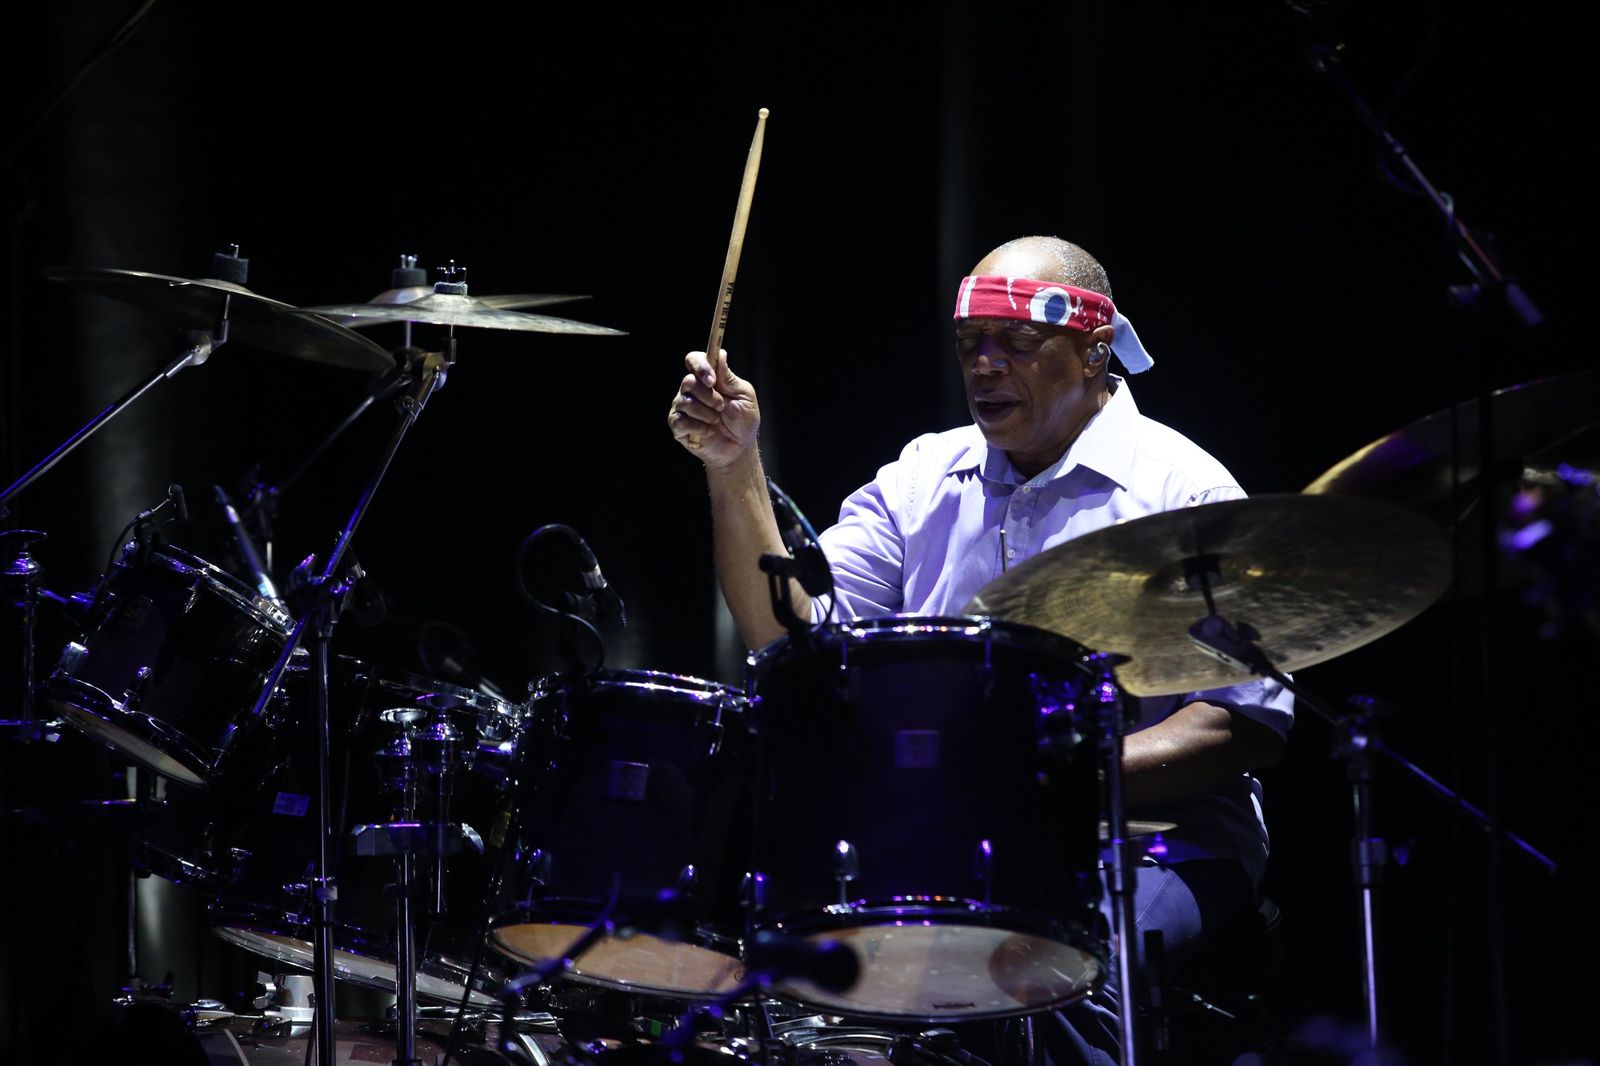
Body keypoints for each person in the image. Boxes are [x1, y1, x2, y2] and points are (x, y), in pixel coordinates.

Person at [667, 235, 1293, 1062]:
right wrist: (733, 464)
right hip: (943, 831)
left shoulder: (1184, 491)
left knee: (1047, 968)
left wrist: (1046, 782)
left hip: (1154, 835)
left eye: (1017, 342)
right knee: (787, 961)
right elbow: (790, 642)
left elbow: (1243, 723)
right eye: (971, 343)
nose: (985, 365)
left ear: (1095, 350)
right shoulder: (922, 478)